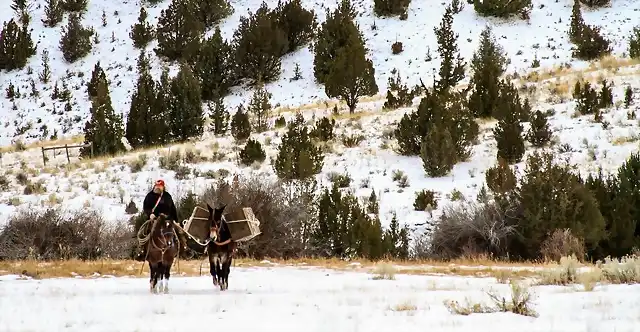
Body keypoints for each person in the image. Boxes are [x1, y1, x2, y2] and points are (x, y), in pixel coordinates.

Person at [135, 179, 181, 261]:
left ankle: (183, 249)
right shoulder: (149, 196)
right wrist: (150, 214)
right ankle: (142, 250)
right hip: (154, 219)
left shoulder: (167, 196)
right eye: (157, 186)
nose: (158, 188)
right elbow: (145, 207)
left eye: (160, 186)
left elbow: (173, 208)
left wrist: (176, 220)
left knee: (179, 232)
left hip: (167, 219)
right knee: (143, 232)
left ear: (163, 187)